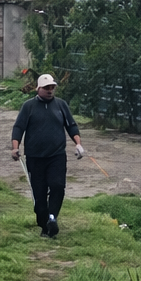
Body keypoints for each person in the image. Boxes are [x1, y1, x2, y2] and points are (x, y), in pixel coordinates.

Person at [10, 74, 84, 237]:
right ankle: (44, 224)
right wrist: (15, 148)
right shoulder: (28, 107)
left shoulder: (61, 105)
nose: (50, 91)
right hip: (35, 157)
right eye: (46, 88)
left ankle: (52, 218)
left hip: (56, 155)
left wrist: (78, 143)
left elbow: (71, 126)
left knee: (57, 186)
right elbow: (18, 128)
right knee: (39, 193)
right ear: (38, 89)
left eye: (52, 88)